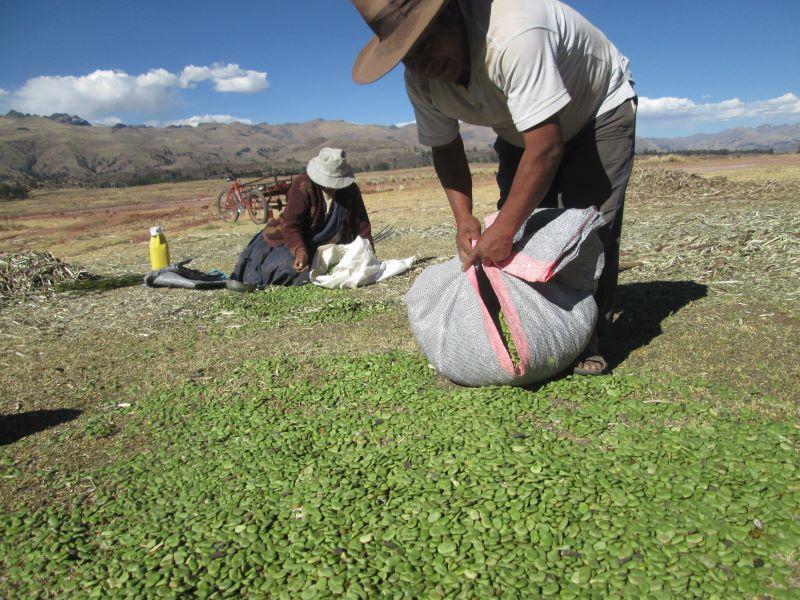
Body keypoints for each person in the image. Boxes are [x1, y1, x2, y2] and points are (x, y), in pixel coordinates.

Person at [350, 0, 637, 374]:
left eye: (426, 43)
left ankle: (584, 339)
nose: (422, 63)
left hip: (596, 107)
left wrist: (503, 228)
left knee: (586, 225)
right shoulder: (421, 78)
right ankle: (528, 322)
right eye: (407, 55)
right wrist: (464, 218)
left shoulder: (513, 32)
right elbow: (446, 149)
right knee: (523, 229)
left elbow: (547, 146)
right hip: (521, 127)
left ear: (450, 14)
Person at [230, 148, 373, 288]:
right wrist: (300, 250)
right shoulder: (303, 186)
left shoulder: (351, 190)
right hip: (287, 240)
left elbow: (362, 223)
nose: (331, 186)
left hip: (325, 245)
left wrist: (368, 250)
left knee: (343, 266)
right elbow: (291, 225)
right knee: (291, 269)